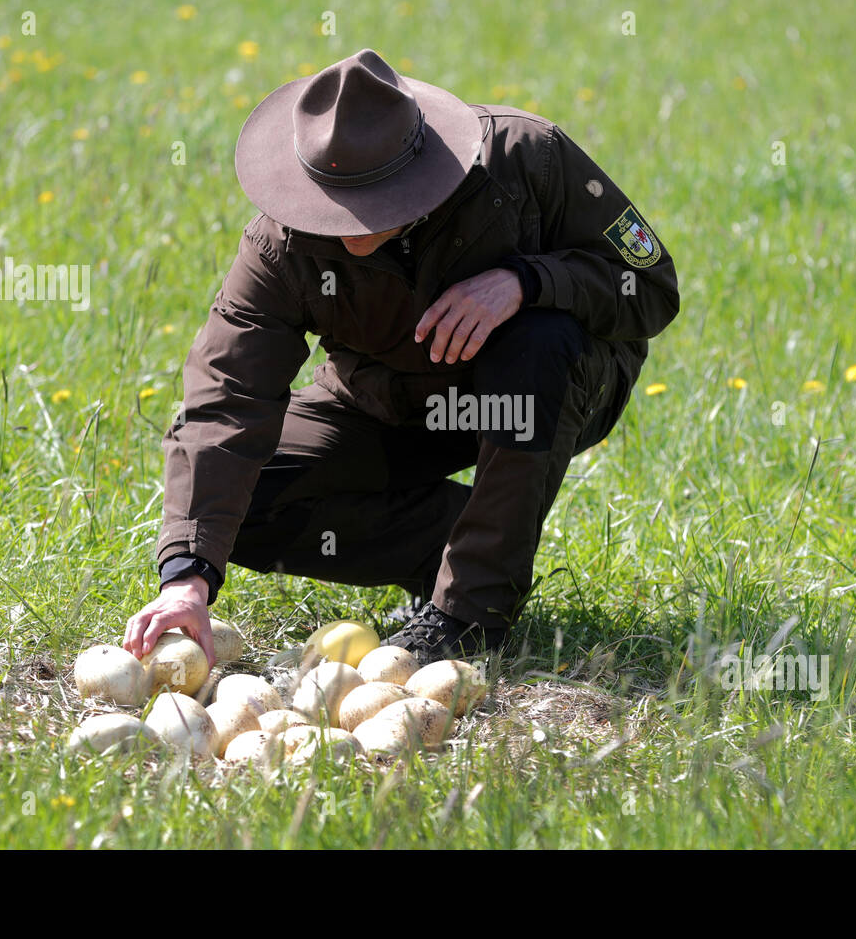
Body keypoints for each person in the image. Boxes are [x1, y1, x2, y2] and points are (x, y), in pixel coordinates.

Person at [124, 48, 679, 668]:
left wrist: (526, 283)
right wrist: (187, 576)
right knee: (244, 502)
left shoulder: (528, 158)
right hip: (385, 402)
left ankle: (468, 615)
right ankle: (458, 546)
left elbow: (650, 286)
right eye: (332, 204)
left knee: (535, 342)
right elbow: (228, 396)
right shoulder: (279, 245)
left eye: (375, 200)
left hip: (544, 388)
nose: (352, 225)